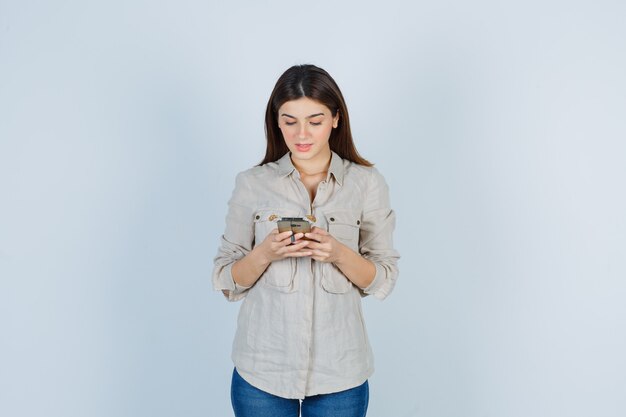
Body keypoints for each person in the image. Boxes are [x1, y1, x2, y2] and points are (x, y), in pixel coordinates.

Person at [212, 64, 400, 417]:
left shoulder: (367, 184)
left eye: (315, 121)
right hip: (262, 371)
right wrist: (266, 252)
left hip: (340, 373)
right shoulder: (251, 183)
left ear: (335, 119)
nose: (302, 134)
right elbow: (226, 278)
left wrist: (339, 253)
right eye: (290, 120)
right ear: (276, 120)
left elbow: (383, 278)